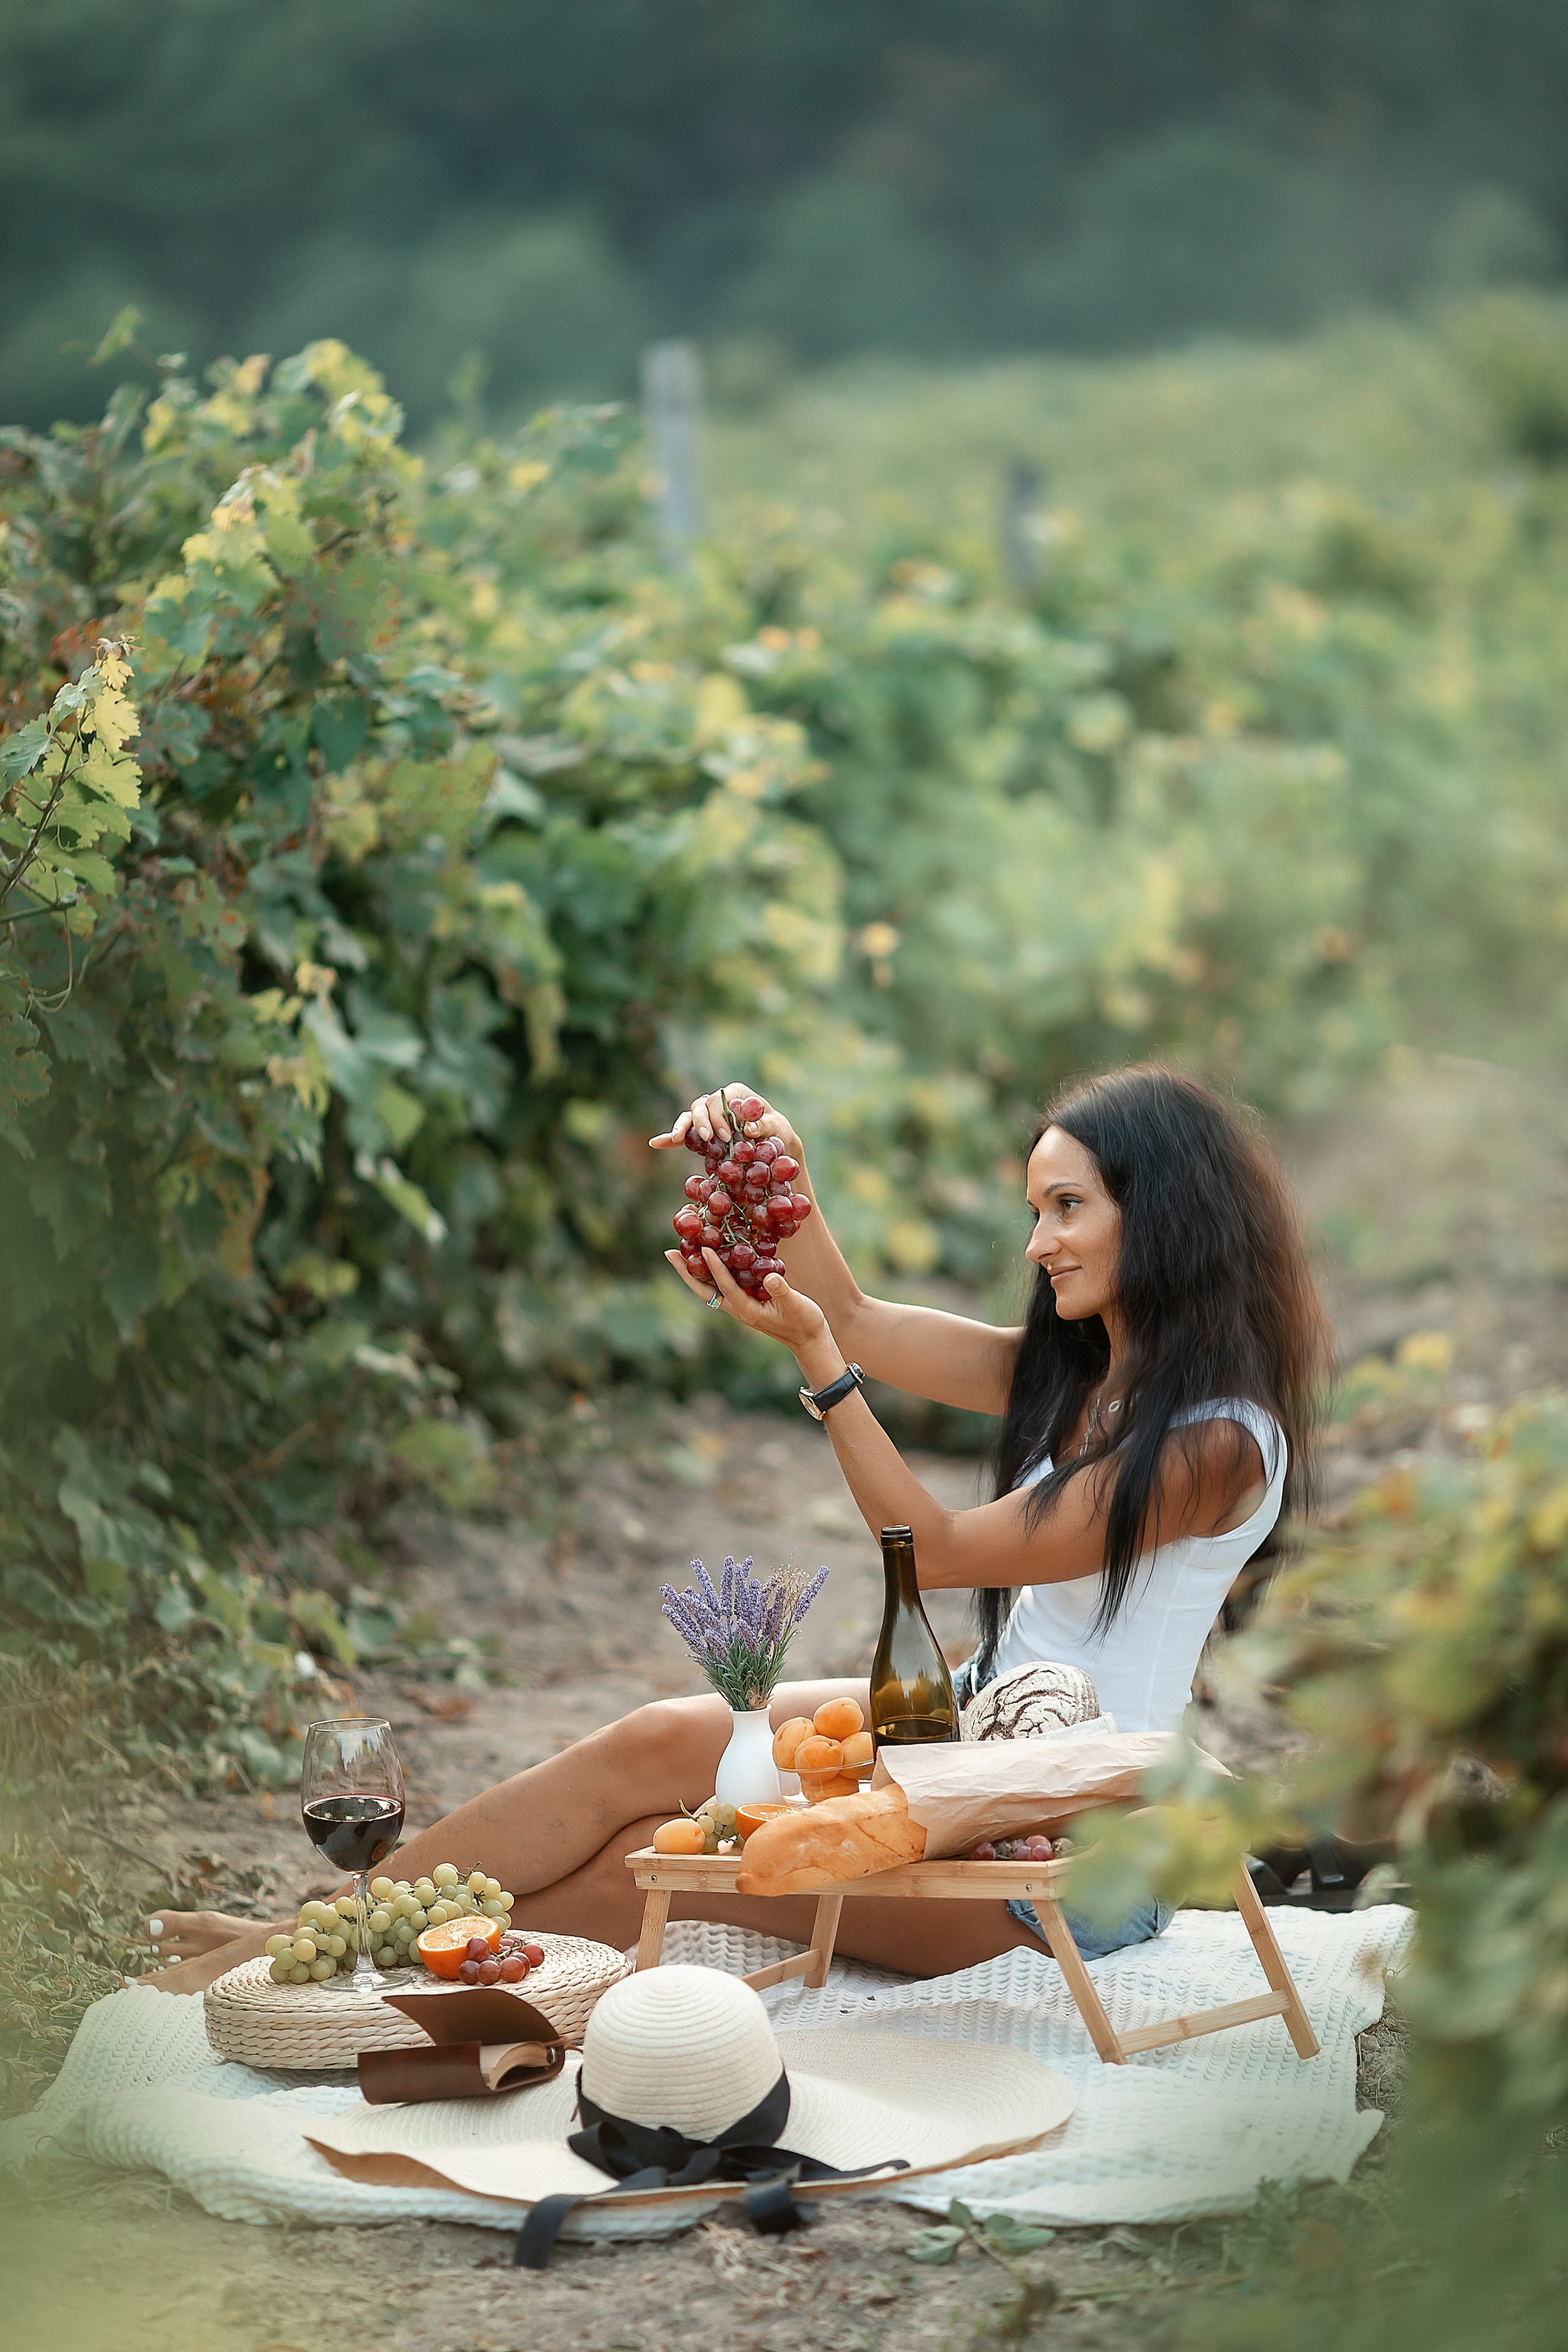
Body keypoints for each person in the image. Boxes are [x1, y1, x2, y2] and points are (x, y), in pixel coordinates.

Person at [137, 1063, 1329, 1993]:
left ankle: (339, 1972)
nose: (1037, 1243)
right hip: (972, 1742)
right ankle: (314, 1938)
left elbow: (937, 1547)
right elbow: (856, 1313)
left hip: (1071, 1858)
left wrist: (819, 1371)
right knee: (660, 1738)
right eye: (1035, 1209)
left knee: (649, 1866)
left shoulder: (1214, 1444)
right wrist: (776, 1162)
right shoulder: (1081, 1376)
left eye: (1066, 1208)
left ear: (1161, 1217)